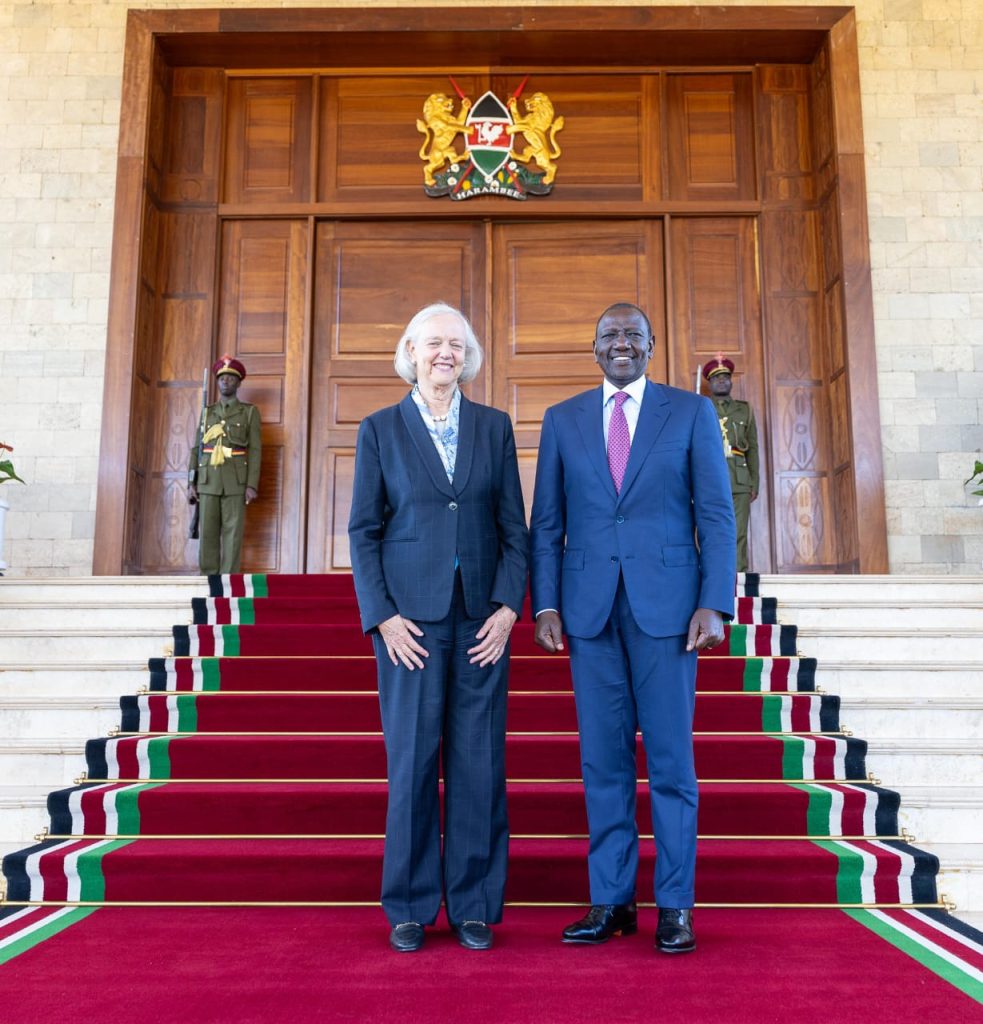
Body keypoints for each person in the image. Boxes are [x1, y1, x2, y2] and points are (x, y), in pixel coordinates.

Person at [530, 302, 736, 954]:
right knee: (603, 763)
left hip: (670, 613)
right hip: (588, 613)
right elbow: (546, 524)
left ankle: (674, 905)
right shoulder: (562, 421)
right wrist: (545, 605)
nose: (620, 343)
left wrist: (714, 601)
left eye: (631, 335)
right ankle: (612, 901)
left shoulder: (691, 411)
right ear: (594, 349)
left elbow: (716, 513)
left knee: (672, 764)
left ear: (650, 345)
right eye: (608, 335)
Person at [347, 302, 529, 954]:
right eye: (432, 344)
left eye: (455, 344)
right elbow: (363, 533)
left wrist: (509, 609)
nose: (444, 353)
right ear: (410, 351)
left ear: (467, 355)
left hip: (481, 622)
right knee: (415, 765)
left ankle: (475, 903)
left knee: (478, 766)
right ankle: (410, 905)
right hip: (410, 628)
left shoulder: (493, 427)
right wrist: (383, 617)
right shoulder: (379, 430)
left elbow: (514, 529)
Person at [187, 355, 261, 575]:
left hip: (235, 481)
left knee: (232, 533)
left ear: (238, 383)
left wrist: (251, 484)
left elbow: (255, 450)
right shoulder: (207, 412)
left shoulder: (249, 413)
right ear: (217, 383)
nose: (226, 381)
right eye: (222, 378)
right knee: (208, 532)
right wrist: (192, 480)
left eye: (230, 378)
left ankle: (228, 581)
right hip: (208, 480)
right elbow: (196, 448)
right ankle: (208, 580)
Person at [703, 355, 759, 573]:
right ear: (709, 382)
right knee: (713, 530)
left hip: (739, 479)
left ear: (731, 381)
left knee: (739, 531)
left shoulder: (745, 410)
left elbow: (752, 448)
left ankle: (738, 575)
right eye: (716, 379)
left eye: (725, 377)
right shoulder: (702, 408)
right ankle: (715, 574)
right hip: (710, 478)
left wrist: (755, 482)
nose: (721, 382)